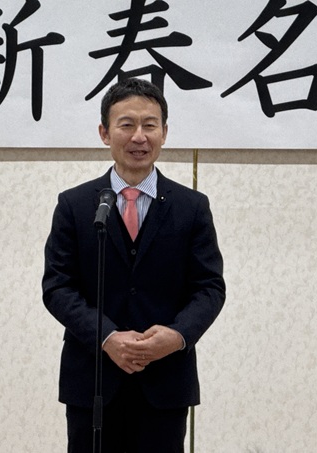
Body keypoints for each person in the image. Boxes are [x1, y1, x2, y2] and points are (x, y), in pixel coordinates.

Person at [42, 77, 226, 453]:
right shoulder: (76, 205)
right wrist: (107, 337)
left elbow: (209, 287)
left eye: (149, 125)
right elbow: (57, 287)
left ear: (164, 133)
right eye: (126, 124)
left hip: (165, 380)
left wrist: (177, 336)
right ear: (104, 133)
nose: (139, 136)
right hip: (93, 380)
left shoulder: (192, 207)